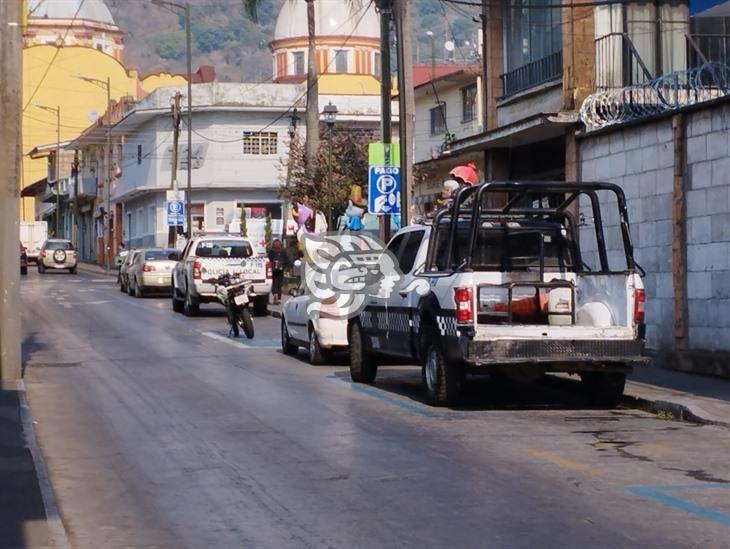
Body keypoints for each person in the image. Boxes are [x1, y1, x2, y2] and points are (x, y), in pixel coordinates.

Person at [268, 239, 287, 304]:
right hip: (281, 270)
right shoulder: (283, 251)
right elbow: (287, 259)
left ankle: (275, 293)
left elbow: (269, 259)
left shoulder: (271, 251)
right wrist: (286, 266)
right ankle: (278, 297)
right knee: (279, 283)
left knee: (274, 282)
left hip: (273, 269)